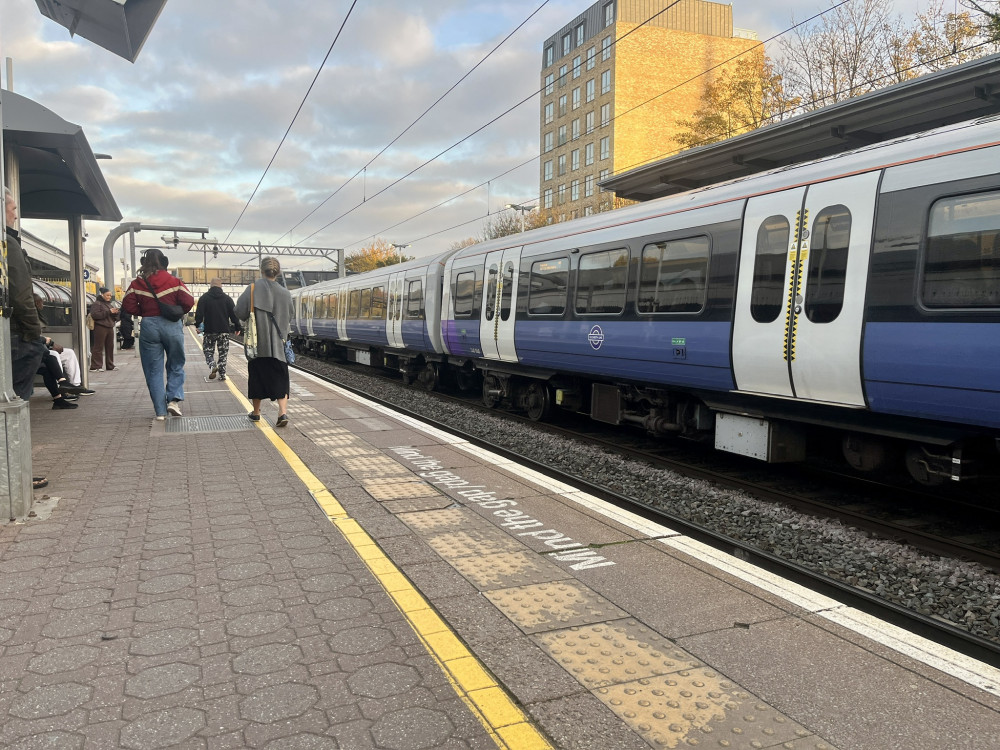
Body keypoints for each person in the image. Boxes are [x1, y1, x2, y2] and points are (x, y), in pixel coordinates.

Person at [5, 186, 51, 489]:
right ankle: (13, 473)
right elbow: (21, 295)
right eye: (12, 209)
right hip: (16, 336)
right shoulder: (7, 244)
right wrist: (36, 335)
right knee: (14, 407)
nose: (16, 215)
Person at [121, 248, 194, 420]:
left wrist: (144, 311)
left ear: (143, 264)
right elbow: (189, 301)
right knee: (176, 363)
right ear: (164, 262)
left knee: (153, 370)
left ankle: (160, 412)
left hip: (149, 326)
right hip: (172, 326)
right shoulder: (174, 281)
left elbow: (128, 305)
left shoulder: (137, 284)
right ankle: (173, 400)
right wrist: (176, 311)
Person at [235, 256, 293, 428]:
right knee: (281, 378)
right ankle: (282, 413)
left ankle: (256, 413)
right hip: (278, 347)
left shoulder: (252, 289)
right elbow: (290, 315)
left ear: (262, 270)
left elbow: (239, 311)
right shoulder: (285, 293)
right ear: (278, 272)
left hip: (258, 346)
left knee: (257, 378)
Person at [32, 294, 94, 395]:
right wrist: (49, 342)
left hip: (41, 348)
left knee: (69, 353)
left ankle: (76, 386)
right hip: (34, 351)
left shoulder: (37, 315)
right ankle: (60, 388)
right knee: (54, 355)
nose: (43, 304)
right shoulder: (29, 318)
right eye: (41, 302)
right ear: (36, 303)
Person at [195, 278, 241, 383]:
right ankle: (222, 374)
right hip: (224, 331)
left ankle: (212, 365)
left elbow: (199, 314)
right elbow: (234, 315)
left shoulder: (204, 298)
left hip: (209, 330)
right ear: (221, 286)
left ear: (210, 286)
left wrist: (198, 325)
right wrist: (238, 327)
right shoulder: (227, 299)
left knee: (208, 350)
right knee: (223, 353)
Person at [88, 287, 119, 371]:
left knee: (110, 346)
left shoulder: (109, 304)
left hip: (109, 326)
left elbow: (112, 316)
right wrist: (109, 312)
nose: (109, 297)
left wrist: (115, 313)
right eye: (107, 295)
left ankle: (110, 365)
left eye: (110, 295)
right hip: (100, 327)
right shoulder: (97, 304)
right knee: (98, 346)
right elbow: (95, 315)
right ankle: (95, 366)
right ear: (102, 295)